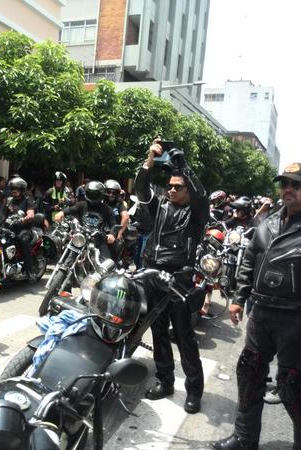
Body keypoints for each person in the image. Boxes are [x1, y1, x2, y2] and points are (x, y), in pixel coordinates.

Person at [211, 163, 301, 450]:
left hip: (300, 320)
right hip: (261, 314)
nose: (287, 189)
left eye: (295, 184)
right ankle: (244, 438)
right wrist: (238, 299)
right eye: (284, 183)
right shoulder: (270, 221)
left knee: (291, 385)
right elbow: (250, 260)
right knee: (249, 374)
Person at [134, 140, 209, 415]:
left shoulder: (196, 213)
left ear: (187, 190)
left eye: (179, 186)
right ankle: (165, 381)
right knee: (157, 332)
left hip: (179, 279)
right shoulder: (160, 208)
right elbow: (141, 189)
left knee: (183, 335)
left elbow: (201, 197)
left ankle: (193, 391)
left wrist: (183, 167)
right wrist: (149, 159)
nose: (172, 189)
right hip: (153, 273)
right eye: (171, 186)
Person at [54, 181, 116, 259]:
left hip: (98, 239)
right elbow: (71, 209)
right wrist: (62, 212)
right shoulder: (82, 205)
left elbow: (113, 224)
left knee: (106, 263)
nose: (93, 196)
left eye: (95, 194)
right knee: (68, 256)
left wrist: (112, 234)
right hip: (81, 238)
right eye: (91, 193)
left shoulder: (106, 209)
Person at [4, 177, 37, 281]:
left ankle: (29, 271)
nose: (14, 191)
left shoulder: (27, 200)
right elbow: (1, 212)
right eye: (12, 188)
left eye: (16, 189)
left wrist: (21, 220)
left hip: (25, 229)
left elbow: (31, 215)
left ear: (22, 190)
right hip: (10, 228)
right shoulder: (9, 201)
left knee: (23, 241)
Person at [104, 179, 129, 262]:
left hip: (114, 234)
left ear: (117, 194)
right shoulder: (100, 202)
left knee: (113, 258)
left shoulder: (119, 204)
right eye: (108, 192)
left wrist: (120, 233)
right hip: (101, 232)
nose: (111, 194)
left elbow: (125, 217)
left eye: (114, 193)